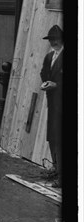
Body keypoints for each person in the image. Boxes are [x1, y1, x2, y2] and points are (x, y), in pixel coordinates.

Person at [40, 25, 63, 187]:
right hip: (52, 102)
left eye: (56, 39)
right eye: (51, 40)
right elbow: (44, 73)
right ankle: (57, 169)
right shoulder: (49, 57)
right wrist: (46, 82)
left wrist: (57, 85)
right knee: (52, 138)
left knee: (60, 138)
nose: (54, 42)